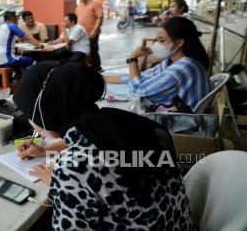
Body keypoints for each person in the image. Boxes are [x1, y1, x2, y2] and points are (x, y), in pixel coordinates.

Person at [13, 61, 192, 230]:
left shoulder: (72, 170)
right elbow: (87, 141)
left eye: (28, 113)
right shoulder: (126, 122)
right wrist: (45, 150)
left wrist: (56, 184)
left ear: (43, 113)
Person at [104, 17, 210, 111]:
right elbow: (140, 77)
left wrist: (133, 59)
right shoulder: (171, 62)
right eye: (156, 40)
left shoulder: (181, 68)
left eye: (161, 41)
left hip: (184, 124)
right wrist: (103, 78)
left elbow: (139, 89)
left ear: (179, 43)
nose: (156, 45)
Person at [75, 0, 103, 70]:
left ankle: (97, 68)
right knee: (82, 51)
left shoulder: (95, 4)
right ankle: (86, 68)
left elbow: (99, 18)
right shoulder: (79, 6)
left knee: (93, 51)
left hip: (92, 33)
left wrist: (94, 31)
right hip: (81, 34)